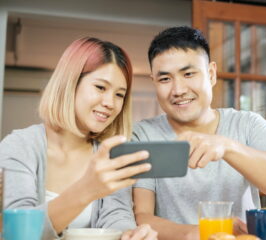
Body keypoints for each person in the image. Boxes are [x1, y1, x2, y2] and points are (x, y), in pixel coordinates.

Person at [129, 26, 266, 240]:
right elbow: (142, 216)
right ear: (154, 81)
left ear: (211, 74)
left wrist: (228, 147)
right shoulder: (144, 134)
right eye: (165, 79)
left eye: (188, 74)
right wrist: (198, 234)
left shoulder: (247, 124)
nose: (178, 90)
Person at [0, 37, 157, 240]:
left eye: (119, 95)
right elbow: (18, 232)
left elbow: (116, 215)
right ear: (70, 84)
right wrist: (88, 189)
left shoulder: (110, 154)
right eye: (100, 87)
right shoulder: (19, 146)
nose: (110, 103)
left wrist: (131, 233)